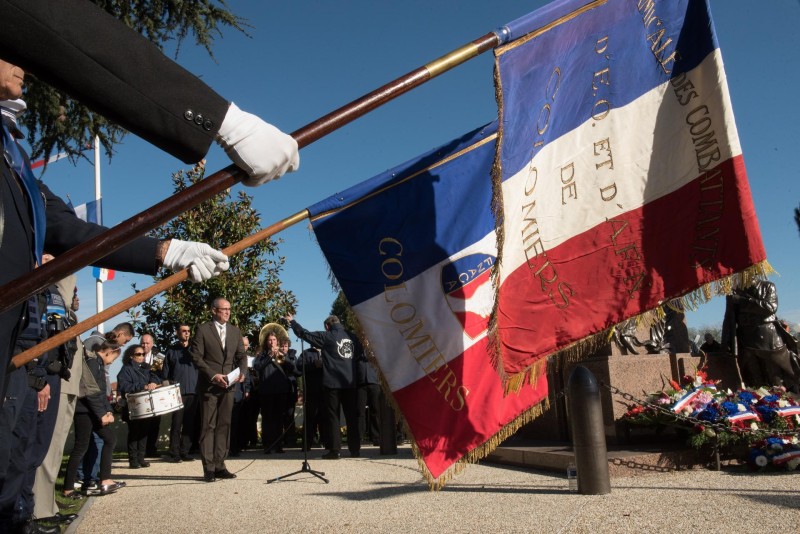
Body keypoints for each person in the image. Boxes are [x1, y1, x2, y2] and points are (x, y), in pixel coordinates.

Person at [31, 276, 81, 528]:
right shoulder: (54, 308)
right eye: (72, 290)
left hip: (68, 387)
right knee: (47, 450)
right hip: (56, 385)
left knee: (55, 451)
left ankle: (47, 505)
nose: (76, 295)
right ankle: (39, 510)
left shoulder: (69, 316)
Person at [285, 314, 360, 460]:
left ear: (327, 326)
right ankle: (355, 449)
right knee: (352, 416)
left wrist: (292, 322)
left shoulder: (328, 336)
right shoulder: (352, 337)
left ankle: (335, 450)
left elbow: (304, 334)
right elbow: (358, 354)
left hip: (333, 383)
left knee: (333, 416)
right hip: (350, 382)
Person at [190, 298, 247, 482]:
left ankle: (220, 464)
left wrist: (242, 373)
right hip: (209, 386)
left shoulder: (235, 331)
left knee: (224, 425)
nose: (228, 312)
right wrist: (213, 375)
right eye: (224, 309)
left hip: (229, 386)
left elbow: (241, 356)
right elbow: (196, 357)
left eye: (229, 309)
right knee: (208, 426)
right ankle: (209, 468)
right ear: (214, 310)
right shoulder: (202, 329)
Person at [62, 341, 124, 500]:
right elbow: (90, 392)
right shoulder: (93, 363)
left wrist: (107, 411)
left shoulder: (98, 365)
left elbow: (101, 392)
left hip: (92, 411)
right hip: (84, 411)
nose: (112, 362)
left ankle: (105, 479)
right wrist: (102, 414)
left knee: (110, 439)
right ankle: (68, 488)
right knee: (81, 447)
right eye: (114, 358)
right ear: (109, 352)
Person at [723, 281, 799, 391]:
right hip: (745, 337)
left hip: (767, 336)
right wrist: (725, 341)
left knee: (773, 373)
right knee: (753, 376)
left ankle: (781, 402)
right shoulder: (734, 290)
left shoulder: (767, 286)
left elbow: (770, 307)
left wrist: (743, 300)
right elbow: (729, 317)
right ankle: (758, 403)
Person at [116, 345, 162, 469]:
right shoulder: (126, 369)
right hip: (133, 406)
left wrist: (153, 382)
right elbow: (124, 385)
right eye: (138, 354)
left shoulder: (146, 368)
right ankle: (133, 460)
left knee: (144, 432)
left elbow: (155, 377)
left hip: (146, 405)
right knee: (134, 433)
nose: (141, 356)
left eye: (143, 354)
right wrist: (143, 386)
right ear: (131, 356)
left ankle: (141, 458)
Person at [253, 332, 298, 454]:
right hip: (266, 391)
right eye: (269, 340)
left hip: (281, 390)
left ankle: (278, 445)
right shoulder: (261, 355)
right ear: (266, 342)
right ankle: (267, 444)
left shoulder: (283, 354)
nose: (272, 342)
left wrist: (283, 357)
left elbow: (293, 369)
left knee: (279, 419)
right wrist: (269, 356)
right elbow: (258, 367)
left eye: (274, 339)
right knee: (267, 419)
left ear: (277, 342)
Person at [163, 324, 199, 463]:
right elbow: (165, 373)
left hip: (193, 391)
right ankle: (174, 452)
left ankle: (185, 451)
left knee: (189, 423)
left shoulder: (195, 350)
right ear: (177, 333)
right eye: (184, 331)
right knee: (177, 423)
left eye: (189, 331)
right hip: (177, 392)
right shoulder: (171, 351)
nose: (187, 333)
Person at [139, 334, 165, 458]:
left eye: (147, 343)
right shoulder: (135, 354)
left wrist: (154, 382)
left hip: (155, 393)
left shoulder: (159, 356)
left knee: (155, 423)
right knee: (141, 424)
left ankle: (151, 449)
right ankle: (140, 450)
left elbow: (161, 373)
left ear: (152, 344)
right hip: (140, 393)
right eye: (143, 343)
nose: (145, 346)